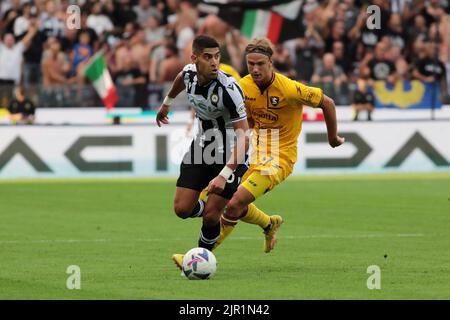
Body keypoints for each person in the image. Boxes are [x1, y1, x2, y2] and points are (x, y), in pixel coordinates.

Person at [212, 37, 345, 252]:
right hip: (256, 152)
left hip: (280, 157)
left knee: (235, 202)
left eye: (260, 64)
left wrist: (332, 138)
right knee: (229, 201)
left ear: (271, 63)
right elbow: (248, 120)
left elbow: (326, 102)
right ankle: (268, 224)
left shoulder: (289, 89)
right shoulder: (243, 87)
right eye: (250, 64)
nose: (255, 69)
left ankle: (201, 255)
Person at [155, 35, 253, 269]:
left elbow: (245, 137)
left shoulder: (229, 89)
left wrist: (224, 174)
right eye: (208, 57)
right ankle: (220, 209)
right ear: (195, 58)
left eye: (217, 57)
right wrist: (166, 103)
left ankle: (200, 260)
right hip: (203, 146)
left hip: (232, 153)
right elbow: (180, 79)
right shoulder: (189, 73)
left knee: (210, 215)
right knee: (182, 209)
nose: (214, 62)